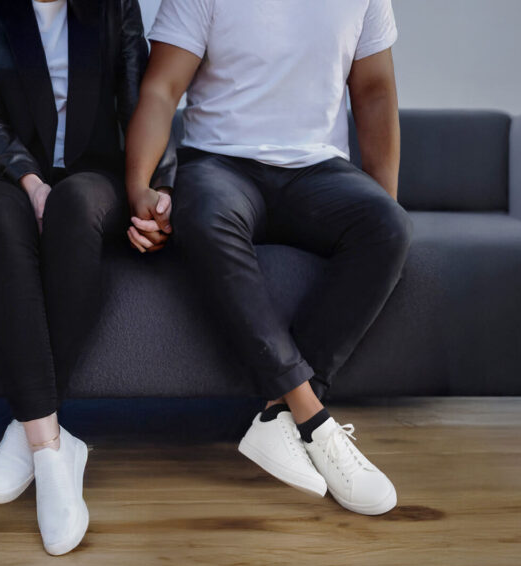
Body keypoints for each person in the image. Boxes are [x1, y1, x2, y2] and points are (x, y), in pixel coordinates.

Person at [124, 0, 412, 515]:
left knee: (388, 225)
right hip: (220, 162)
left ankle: (275, 417)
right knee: (204, 218)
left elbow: (374, 91)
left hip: (318, 169)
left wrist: (378, 204)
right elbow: (162, 88)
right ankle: (312, 419)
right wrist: (139, 187)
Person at [0, 0, 175, 555]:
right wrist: (27, 178)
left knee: (74, 205)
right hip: (5, 173)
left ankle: (26, 437)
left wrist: (155, 194)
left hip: (95, 174)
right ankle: (49, 447)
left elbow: (144, 98)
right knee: (2, 218)